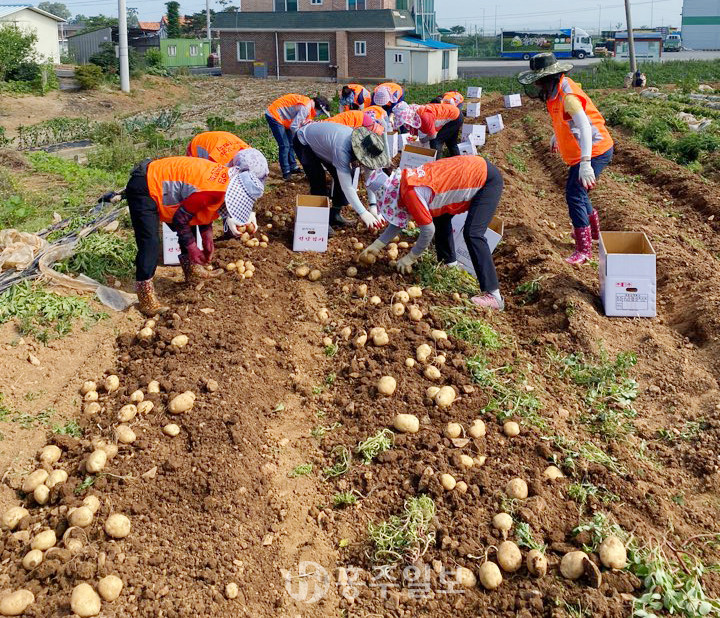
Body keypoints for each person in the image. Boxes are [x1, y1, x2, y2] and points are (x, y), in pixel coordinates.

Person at [125, 154, 265, 315]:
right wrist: (193, 248)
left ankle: (191, 271)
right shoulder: (211, 190)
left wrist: (208, 243)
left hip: (165, 183)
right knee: (150, 244)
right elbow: (180, 220)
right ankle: (145, 297)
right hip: (146, 186)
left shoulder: (226, 183)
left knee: (188, 226)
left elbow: (202, 213)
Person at [361, 156, 505, 310]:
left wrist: (411, 256)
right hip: (474, 169)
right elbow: (400, 218)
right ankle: (449, 263)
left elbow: (428, 231)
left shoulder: (411, 193)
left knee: (473, 233)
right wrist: (378, 244)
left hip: (485, 180)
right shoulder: (405, 182)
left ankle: (493, 295)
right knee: (441, 217)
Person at [518, 52, 614, 265]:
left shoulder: (568, 96)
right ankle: (594, 233)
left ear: (547, 80)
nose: (537, 87)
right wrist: (556, 136)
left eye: (538, 82)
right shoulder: (557, 91)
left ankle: (584, 249)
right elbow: (565, 120)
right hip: (584, 151)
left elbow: (585, 127)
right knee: (579, 192)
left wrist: (586, 163)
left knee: (574, 194)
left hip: (595, 150)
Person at [293, 123, 389, 230]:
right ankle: (320, 221)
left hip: (326, 145)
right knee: (318, 180)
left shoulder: (367, 147)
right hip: (304, 141)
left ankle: (334, 215)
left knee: (346, 175)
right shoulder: (342, 149)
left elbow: (370, 179)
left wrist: (373, 206)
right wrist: (363, 213)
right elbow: (347, 187)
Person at [265, 94, 330, 180]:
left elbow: (299, 122)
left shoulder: (308, 107)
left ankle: (293, 166)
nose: (319, 114)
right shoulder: (306, 108)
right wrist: (301, 139)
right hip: (274, 115)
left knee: (291, 143)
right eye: (321, 112)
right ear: (319, 107)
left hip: (286, 118)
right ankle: (286, 171)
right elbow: (294, 127)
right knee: (285, 145)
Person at [393, 102, 462, 157]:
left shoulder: (424, 116)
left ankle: (436, 165)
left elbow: (432, 135)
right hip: (452, 115)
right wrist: (412, 141)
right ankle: (457, 160)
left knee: (436, 142)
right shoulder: (413, 115)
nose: (405, 122)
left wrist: (422, 141)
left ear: (407, 114)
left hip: (454, 117)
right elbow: (414, 132)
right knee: (451, 142)